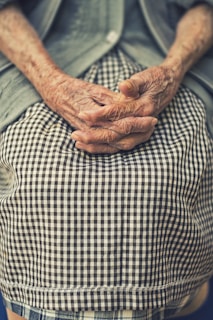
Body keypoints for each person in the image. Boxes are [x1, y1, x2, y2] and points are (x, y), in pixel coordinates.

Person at [0, 0, 213, 319]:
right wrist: (51, 83)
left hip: (168, 55)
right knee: (40, 180)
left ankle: (185, 298)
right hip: (37, 58)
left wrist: (172, 71)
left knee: (163, 178)